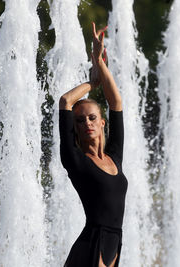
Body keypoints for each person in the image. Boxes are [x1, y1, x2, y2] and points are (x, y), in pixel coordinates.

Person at [59, 22, 128, 267]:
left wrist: (99, 62)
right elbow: (66, 100)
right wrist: (92, 84)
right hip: (92, 243)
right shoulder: (75, 160)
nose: (86, 122)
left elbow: (116, 103)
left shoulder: (114, 156)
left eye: (91, 118)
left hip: (114, 241)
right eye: (79, 120)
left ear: (101, 123)